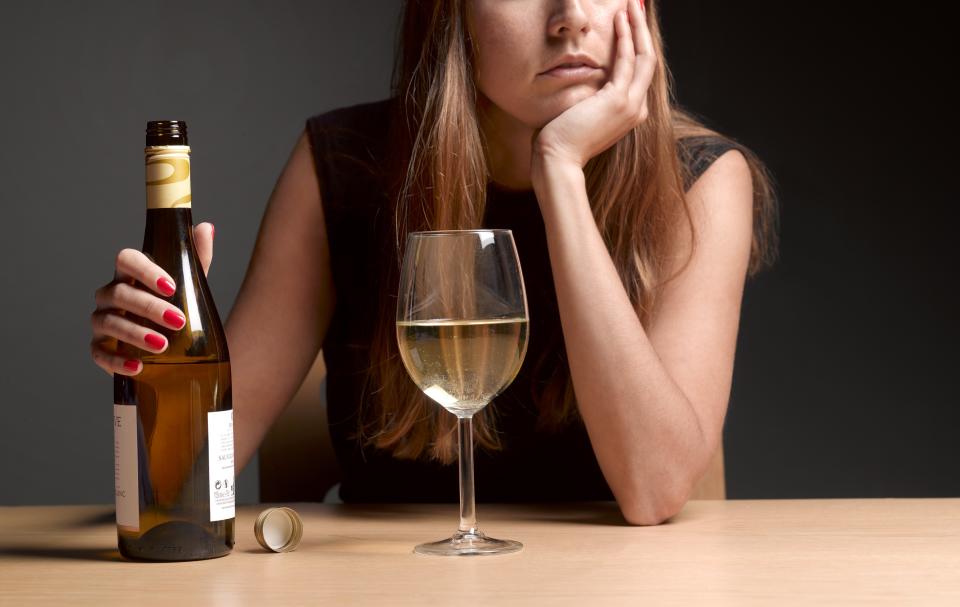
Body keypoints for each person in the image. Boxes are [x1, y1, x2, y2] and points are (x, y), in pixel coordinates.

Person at [90, 0, 778, 525]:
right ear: (453, 15)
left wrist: (559, 170)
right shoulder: (343, 166)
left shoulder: (700, 179)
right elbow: (177, 485)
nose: (570, 17)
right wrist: (165, 364)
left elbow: (653, 488)